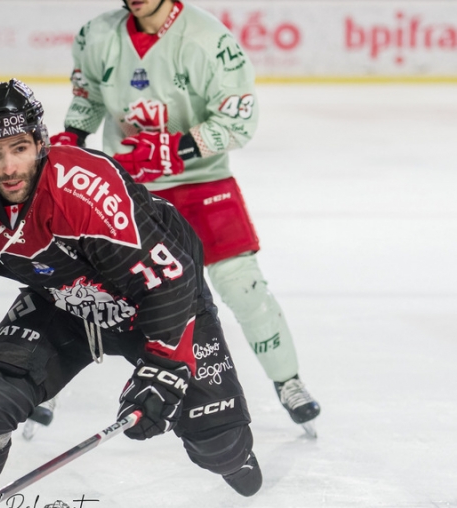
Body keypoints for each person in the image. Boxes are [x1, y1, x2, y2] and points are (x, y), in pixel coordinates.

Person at [0, 79, 262, 508]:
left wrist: (164, 365)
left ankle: (233, 457)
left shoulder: (84, 190)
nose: (9, 167)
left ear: (40, 142)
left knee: (220, 444)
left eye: (19, 148)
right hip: (65, 302)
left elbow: (170, 279)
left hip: (156, 303)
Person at [48, 0, 321, 433]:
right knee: (90, 289)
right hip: (129, 187)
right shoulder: (96, 35)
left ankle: (288, 380)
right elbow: (89, 96)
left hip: (202, 182)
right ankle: (48, 386)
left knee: (242, 285)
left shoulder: (209, 40)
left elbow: (239, 122)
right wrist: (73, 139)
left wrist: (176, 148)